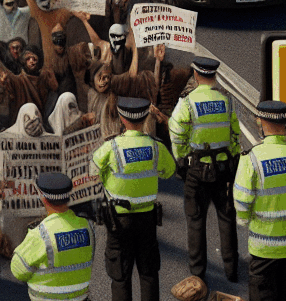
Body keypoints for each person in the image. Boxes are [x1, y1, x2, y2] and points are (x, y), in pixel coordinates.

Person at [91, 97, 175, 301]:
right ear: (146, 118)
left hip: (118, 220)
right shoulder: (156, 147)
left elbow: (93, 172)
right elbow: (169, 171)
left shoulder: (112, 147)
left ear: (121, 118)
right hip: (147, 219)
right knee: (148, 273)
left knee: (120, 275)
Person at [167, 57, 240, 283]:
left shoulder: (188, 102)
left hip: (197, 170)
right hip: (223, 169)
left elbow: (176, 132)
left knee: (196, 220)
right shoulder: (226, 101)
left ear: (196, 76)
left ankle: (198, 272)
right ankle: (232, 269)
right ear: (214, 76)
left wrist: (182, 159)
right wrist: (233, 158)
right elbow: (235, 134)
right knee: (226, 218)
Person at [233, 100, 286, 301]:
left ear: (261, 123)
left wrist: (245, 221)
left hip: (265, 245)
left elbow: (242, 201)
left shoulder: (251, 158)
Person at [10, 172, 93, 301]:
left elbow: (18, 271)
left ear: (43, 198)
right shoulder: (87, 226)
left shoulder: (40, 234)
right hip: (81, 297)